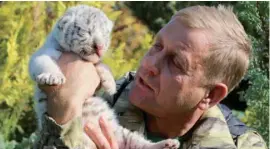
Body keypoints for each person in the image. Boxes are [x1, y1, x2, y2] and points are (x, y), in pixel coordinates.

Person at [34, 5, 267, 149]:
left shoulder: (243, 145)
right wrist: (65, 106)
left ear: (211, 94)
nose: (150, 64)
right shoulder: (100, 99)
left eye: (176, 62)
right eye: (157, 46)